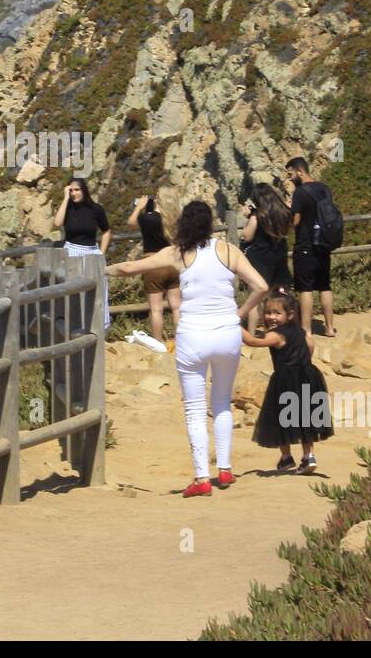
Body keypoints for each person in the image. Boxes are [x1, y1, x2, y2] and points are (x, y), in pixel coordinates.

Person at [107, 200, 269, 497]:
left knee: (195, 409)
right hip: (226, 334)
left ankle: (201, 478)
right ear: (209, 223)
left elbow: (130, 268)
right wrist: (239, 314)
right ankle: (225, 468)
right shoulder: (229, 250)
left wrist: (99, 269)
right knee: (221, 402)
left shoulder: (177, 253)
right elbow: (260, 286)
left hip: (193, 336)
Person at [243, 289, 333, 474]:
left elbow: (253, 341)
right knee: (305, 417)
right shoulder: (300, 331)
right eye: (268, 312)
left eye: (277, 313)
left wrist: (232, 326)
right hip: (308, 375)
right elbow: (310, 345)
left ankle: (286, 457)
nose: (271, 317)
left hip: (285, 379)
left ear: (290, 314)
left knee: (280, 418)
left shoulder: (277, 335)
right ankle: (308, 456)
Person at [285, 157, 337, 337]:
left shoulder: (300, 192)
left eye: (291, 174)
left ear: (300, 171)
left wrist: (289, 210)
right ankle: (329, 328)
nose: (290, 179)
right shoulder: (325, 188)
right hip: (324, 243)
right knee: (324, 285)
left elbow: (296, 220)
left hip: (306, 244)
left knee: (305, 288)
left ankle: (306, 330)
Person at [54, 177, 111, 329]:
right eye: (71, 190)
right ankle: (74, 327)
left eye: (77, 190)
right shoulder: (68, 208)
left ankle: (98, 327)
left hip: (92, 253)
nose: (74, 193)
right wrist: (65, 198)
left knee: (98, 290)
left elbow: (106, 231)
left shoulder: (96, 209)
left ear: (84, 190)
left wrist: (101, 253)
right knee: (74, 292)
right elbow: (57, 223)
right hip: (71, 251)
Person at [127, 196, 180, 344]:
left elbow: (130, 223)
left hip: (153, 263)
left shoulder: (148, 218)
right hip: (173, 263)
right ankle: (179, 341)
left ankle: (158, 342)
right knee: (176, 307)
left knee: (156, 309)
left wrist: (139, 207)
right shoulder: (175, 219)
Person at [240, 182, 292, 332]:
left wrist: (248, 217)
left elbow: (247, 236)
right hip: (279, 256)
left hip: (260, 259)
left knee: (254, 299)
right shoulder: (283, 212)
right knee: (277, 295)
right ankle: (279, 329)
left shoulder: (257, 216)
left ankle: (252, 333)